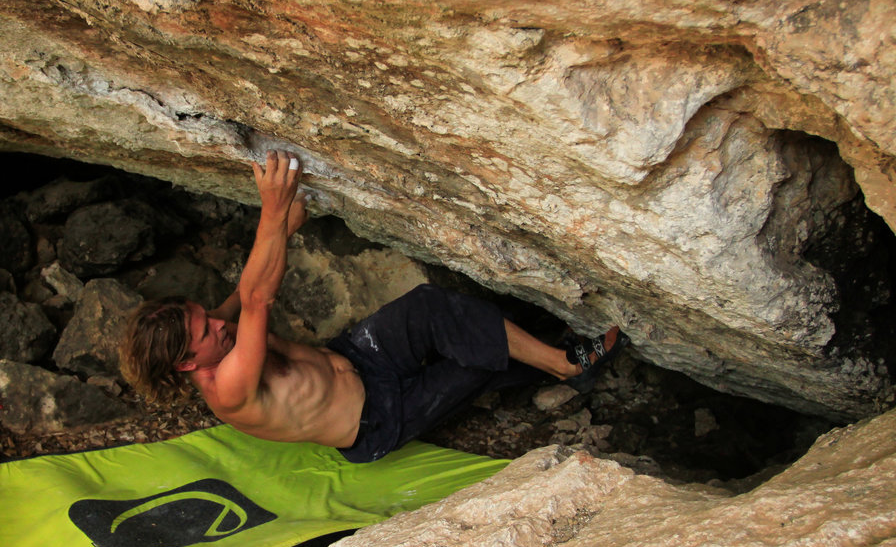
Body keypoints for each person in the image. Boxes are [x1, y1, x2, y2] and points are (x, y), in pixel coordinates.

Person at [120, 150, 629, 463]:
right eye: (203, 330)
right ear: (188, 363)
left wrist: (286, 232)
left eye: (202, 313)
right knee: (473, 362)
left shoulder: (214, 335)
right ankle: (563, 365)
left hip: (361, 358)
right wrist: (272, 214)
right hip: (376, 419)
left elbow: (238, 297)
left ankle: (548, 352)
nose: (215, 321)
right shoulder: (227, 388)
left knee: (431, 307)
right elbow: (258, 297)